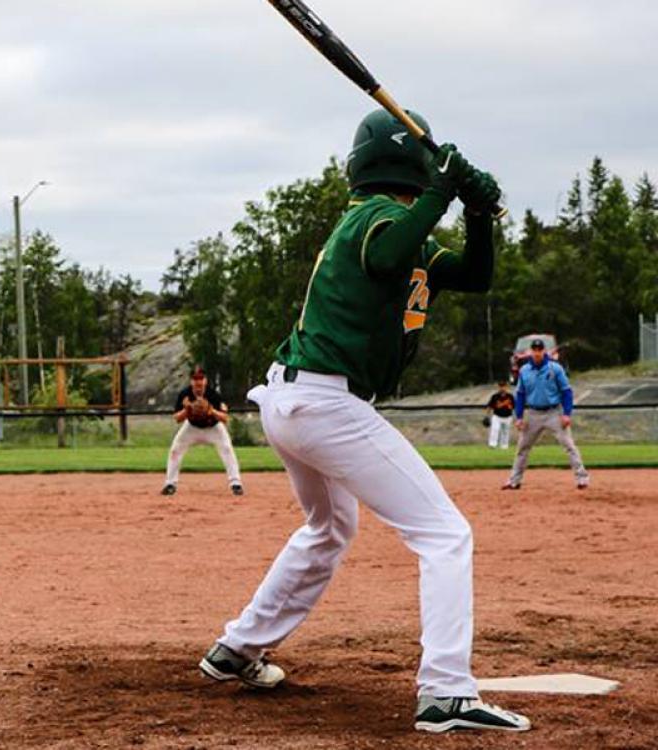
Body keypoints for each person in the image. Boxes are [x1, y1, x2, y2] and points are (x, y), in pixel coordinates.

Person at [197, 110, 531, 733]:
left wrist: (480, 215)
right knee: (444, 533)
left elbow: (476, 275)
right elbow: (386, 259)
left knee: (328, 529)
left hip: (298, 401)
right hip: (325, 402)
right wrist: (445, 191)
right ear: (412, 164)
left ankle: (237, 647)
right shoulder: (371, 220)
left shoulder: (403, 230)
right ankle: (446, 692)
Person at [503, 339, 589, 490]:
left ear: (544, 351)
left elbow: (566, 391)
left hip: (554, 412)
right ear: (531, 351)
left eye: (540, 349)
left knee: (568, 445)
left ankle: (582, 478)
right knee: (522, 447)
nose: (537, 352)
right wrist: (519, 416)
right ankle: (514, 481)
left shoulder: (555, 368)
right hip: (533, 413)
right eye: (534, 349)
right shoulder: (524, 371)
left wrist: (567, 413)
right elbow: (521, 395)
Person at [160, 365, 243, 497]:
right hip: (191, 428)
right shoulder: (184, 394)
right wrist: (186, 411)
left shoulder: (213, 395)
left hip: (213, 428)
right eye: (195, 378)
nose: (198, 381)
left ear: (205, 380)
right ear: (191, 381)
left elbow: (225, 418)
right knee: (175, 450)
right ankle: (170, 484)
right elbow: (177, 418)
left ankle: (236, 484)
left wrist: (212, 411)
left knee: (227, 448)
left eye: (201, 378)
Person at [484, 381, 515, 449]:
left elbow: (514, 407)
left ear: (507, 387)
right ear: (498, 387)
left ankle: (504, 446)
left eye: (504, 386)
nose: (502, 388)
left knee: (505, 432)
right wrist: (486, 415)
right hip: (497, 416)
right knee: (495, 429)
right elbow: (489, 406)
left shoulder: (510, 396)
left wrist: (516, 417)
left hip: (508, 416)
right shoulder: (495, 396)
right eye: (500, 386)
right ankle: (492, 444)